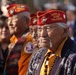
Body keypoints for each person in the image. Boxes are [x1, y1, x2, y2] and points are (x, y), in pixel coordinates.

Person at [27, 10, 76, 75]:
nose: (42, 34)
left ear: (64, 31)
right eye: (39, 29)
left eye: (48, 28)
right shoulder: (38, 55)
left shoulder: (73, 58)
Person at [6, 4, 33, 75]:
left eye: (13, 20)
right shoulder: (13, 40)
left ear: (26, 22)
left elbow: (24, 70)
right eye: (8, 20)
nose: (9, 23)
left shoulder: (29, 39)